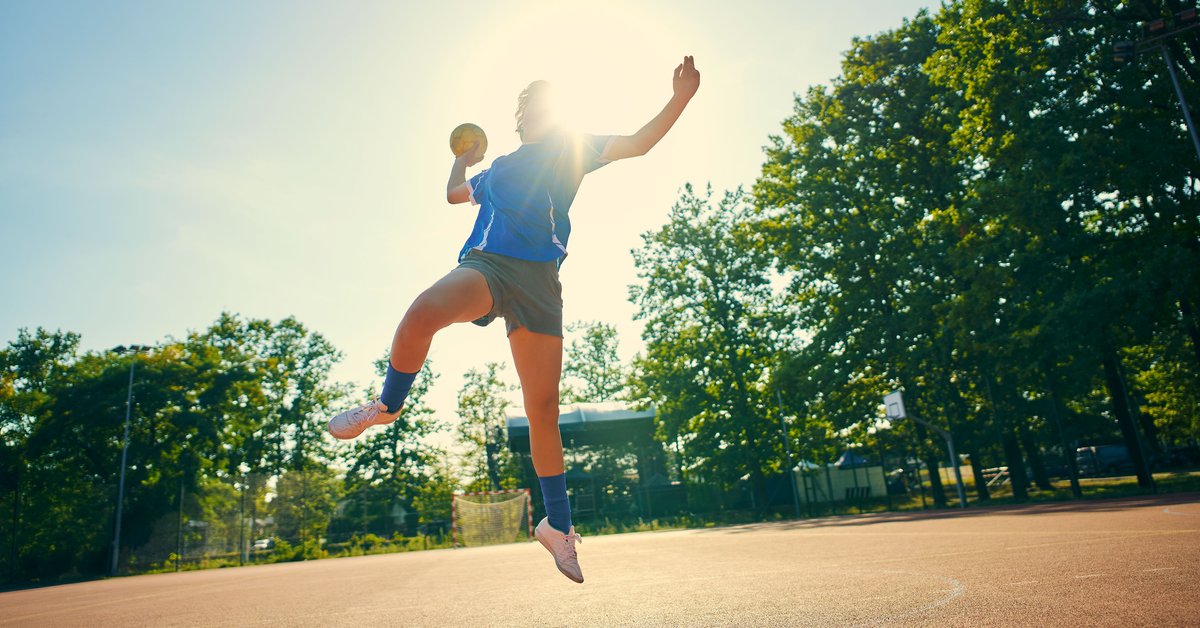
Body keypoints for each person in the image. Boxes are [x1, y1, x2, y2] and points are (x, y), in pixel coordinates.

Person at [328, 56, 701, 583]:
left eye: (547, 103)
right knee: (420, 315)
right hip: (490, 267)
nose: (538, 111)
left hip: (542, 284)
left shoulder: (576, 148)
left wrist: (681, 97)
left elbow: (639, 141)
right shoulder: (500, 167)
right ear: (521, 119)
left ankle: (559, 529)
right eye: (529, 105)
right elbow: (455, 194)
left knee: (542, 408)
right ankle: (387, 405)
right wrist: (464, 157)